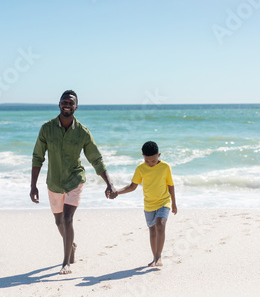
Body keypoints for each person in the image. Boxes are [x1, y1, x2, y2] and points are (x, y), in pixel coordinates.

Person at [30, 90, 116, 275]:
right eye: (64, 102)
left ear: (76, 107)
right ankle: (72, 246)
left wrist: (109, 183)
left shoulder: (83, 133)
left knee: (68, 219)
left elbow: (96, 159)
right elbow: (37, 157)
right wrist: (33, 186)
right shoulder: (47, 129)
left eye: (71, 102)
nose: (67, 105)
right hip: (53, 182)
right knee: (59, 222)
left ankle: (65, 262)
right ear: (59, 104)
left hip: (74, 180)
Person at [110, 141, 177, 267]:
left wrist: (174, 203)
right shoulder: (140, 168)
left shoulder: (165, 167)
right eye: (147, 161)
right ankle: (154, 257)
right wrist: (117, 192)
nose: (150, 163)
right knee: (152, 231)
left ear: (159, 155)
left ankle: (159, 257)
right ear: (142, 156)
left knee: (160, 224)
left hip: (164, 201)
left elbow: (171, 185)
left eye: (153, 160)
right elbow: (132, 186)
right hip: (149, 204)